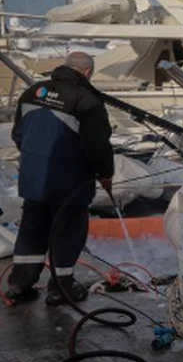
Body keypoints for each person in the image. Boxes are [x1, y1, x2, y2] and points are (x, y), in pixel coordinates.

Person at [6, 52, 114, 306]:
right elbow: (97, 145)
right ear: (87, 73)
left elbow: (18, 133)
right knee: (68, 230)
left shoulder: (34, 91)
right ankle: (61, 287)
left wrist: (35, 159)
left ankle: (19, 283)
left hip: (33, 177)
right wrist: (105, 174)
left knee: (33, 228)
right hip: (70, 180)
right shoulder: (86, 100)